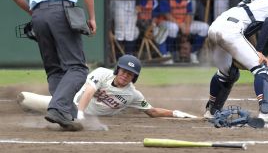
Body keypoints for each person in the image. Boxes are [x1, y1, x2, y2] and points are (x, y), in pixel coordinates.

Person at [11, 0, 98, 131]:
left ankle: (66, 114)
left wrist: (33, 13)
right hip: (62, 12)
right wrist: (91, 18)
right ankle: (58, 108)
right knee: (77, 68)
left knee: (54, 69)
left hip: (39, 16)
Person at [203, 0, 268, 122]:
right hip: (230, 30)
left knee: (228, 74)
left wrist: (249, 53)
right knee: (263, 67)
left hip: (214, 28)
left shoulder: (262, 0)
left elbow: (248, 31)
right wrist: (259, 51)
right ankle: (266, 112)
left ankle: (212, 111)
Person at [17, 55, 197, 119]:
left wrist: (175, 113)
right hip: (71, 105)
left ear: (134, 78)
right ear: (118, 69)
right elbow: (89, 91)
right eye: (124, 71)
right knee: (24, 99)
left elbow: (151, 111)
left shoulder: (133, 95)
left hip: (83, 113)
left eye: (130, 74)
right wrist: (79, 113)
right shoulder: (103, 73)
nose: (125, 75)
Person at [159, 0, 209, 64]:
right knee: (173, 28)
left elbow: (189, 14)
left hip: (183, 23)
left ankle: (193, 52)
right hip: (166, 24)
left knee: (204, 27)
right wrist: (180, 25)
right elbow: (167, 15)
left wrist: (187, 26)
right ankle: (169, 53)